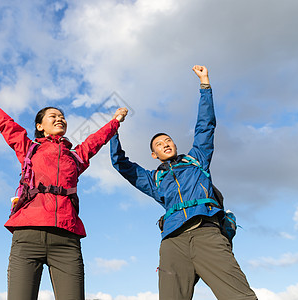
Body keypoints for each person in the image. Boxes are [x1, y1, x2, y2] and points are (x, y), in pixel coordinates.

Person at [0, 80, 128, 300]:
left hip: (66, 238)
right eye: (53, 116)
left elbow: (95, 141)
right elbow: (5, 123)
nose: (59, 118)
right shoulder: (29, 148)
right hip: (27, 235)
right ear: (40, 126)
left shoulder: (76, 156)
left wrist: (115, 121)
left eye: (62, 116)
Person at [109, 66, 257, 300]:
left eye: (168, 140)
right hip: (172, 242)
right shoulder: (153, 179)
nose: (165, 144)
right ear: (154, 155)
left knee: (240, 296)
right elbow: (121, 164)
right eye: (159, 144)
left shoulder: (196, 159)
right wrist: (113, 130)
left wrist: (205, 85)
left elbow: (205, 126)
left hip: (206, 233)